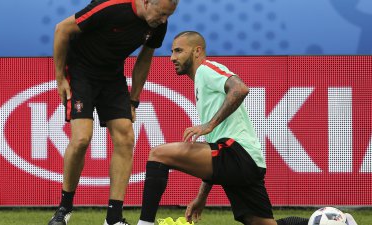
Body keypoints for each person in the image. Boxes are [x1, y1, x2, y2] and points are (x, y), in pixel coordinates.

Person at [136, 31, 312, 225]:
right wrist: (202, 196)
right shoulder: (201, 83)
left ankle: (145, 224)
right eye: (172, 52)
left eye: (178, 51)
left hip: (238, 154)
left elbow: (240, 88)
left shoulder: (206, 69)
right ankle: (328, 222)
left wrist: (209, 125)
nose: (172, 58)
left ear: (197, 51)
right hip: (247, 162)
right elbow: (214, 151)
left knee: (159, 154)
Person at [48, 0, 179, 225]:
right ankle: (64, 209)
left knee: (126, 138)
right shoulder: (111, 6)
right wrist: (60, 78)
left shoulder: (157, 24)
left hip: (112, 77)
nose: (164, 20)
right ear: (146, 2)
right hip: (81, 72)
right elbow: (62, 29)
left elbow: (144, 58)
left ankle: (113, 218)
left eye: (168, 15)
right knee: (81, 139)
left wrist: (134, 100)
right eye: (162, 13)